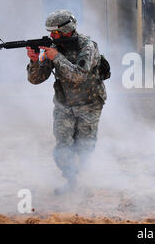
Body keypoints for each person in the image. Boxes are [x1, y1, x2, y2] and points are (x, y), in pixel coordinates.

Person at [26, 10, 107, 195]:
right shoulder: (54, 47)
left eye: (55, 32)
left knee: (84, 147)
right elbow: (37, 79)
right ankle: (73, 182)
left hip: (89, 104)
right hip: (64, 105)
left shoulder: (88, 46)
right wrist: (34, 62)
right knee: (63, 147)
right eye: (50, 32)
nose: (51, 36)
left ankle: (84, 182)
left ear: (67, 29)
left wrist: (57, 57)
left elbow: (79, 76)